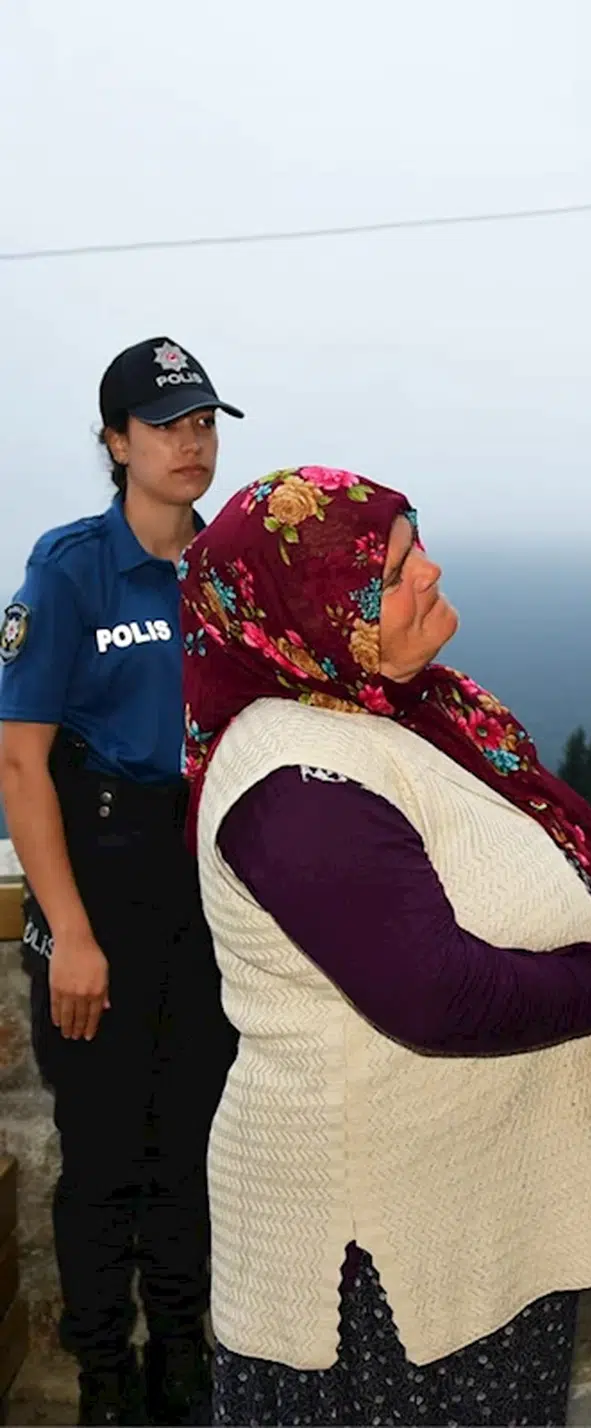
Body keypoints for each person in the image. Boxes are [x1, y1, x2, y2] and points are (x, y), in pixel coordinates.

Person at [177, 465, 591, 1428]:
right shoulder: (291, 779)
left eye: (415, 543)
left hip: (482, 1219)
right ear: (314, 619)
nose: (431, 571)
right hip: (381, 1266)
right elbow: (434, 992)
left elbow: (531, 863)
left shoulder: (411, 712)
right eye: (394, 572)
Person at [0, 338, 243, 1425]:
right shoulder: (69, 570)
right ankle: (104, 1376)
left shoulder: (229, 567)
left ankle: (182, 1362)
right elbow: (18, 761)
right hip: (98, 871)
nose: (191, 444)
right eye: (165, 426)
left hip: (208, 879)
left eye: (203, 423)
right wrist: (70, 931)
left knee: (196, 1140)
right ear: (114, 442)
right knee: (103, 1151)